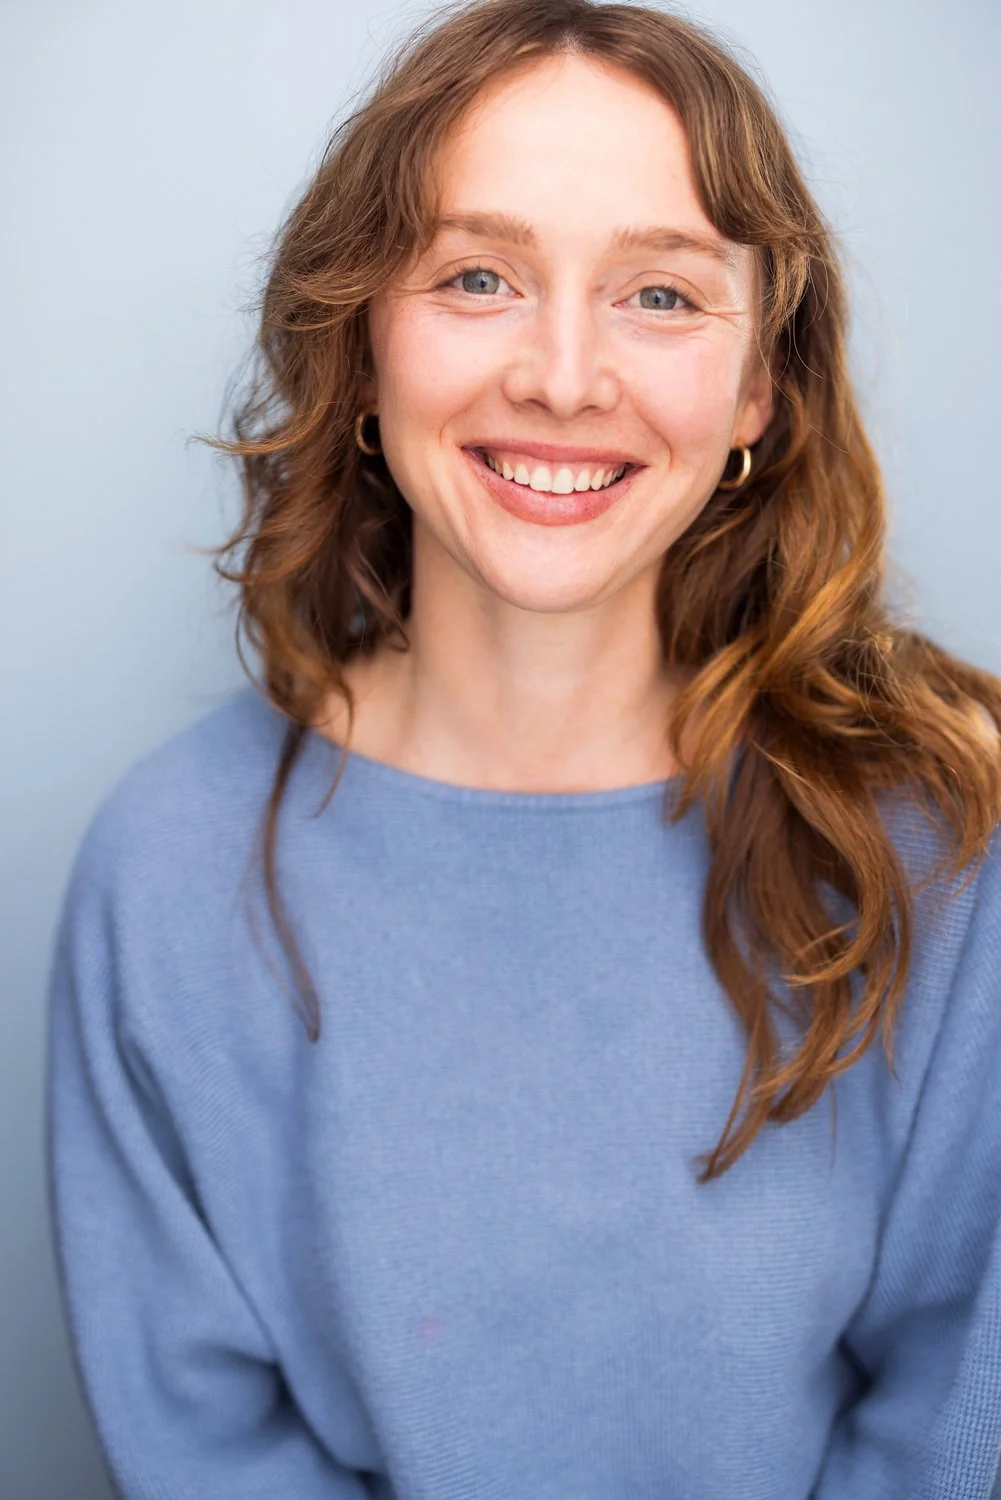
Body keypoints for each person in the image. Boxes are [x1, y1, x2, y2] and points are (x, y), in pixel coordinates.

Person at [45, 1, 1001, 1496]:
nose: (563, 375)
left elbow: (958, 1420)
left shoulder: (935, 850)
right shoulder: (167, 872)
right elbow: (204, 1447)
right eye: (478, 276)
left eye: (662, 294)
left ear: (758, 388)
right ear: (366, 346)